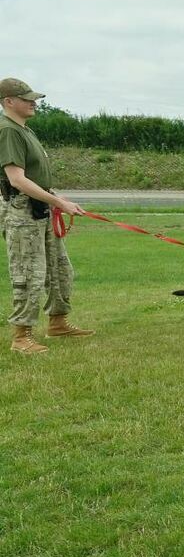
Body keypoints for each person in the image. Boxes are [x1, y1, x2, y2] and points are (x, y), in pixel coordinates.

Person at [1, 77, 91, 356]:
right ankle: (22, 336)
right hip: (23, 212)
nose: (33, 102)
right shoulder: (8, 131)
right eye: (27, 99)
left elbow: (35, 177)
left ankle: (58, 323)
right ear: (8, 102)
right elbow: (16, 179)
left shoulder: (24, 129)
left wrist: (57, 200)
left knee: (60, 269)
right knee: (30, 274)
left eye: (33, 98)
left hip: (41, 209)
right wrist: (57, 202)